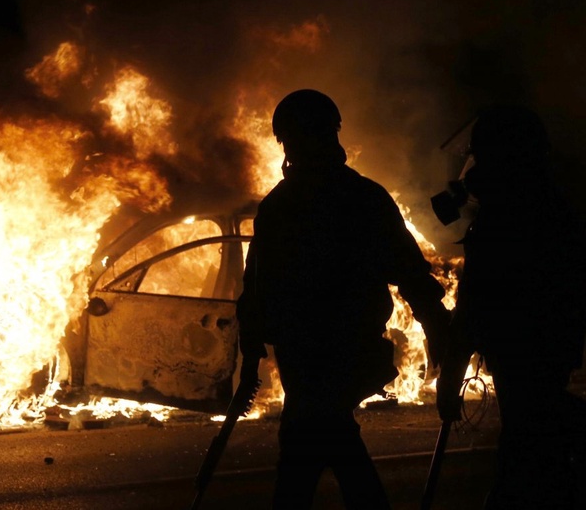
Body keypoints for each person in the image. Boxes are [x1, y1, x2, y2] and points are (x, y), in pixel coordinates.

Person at [236, 89, 452, 509]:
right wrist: (437, 324)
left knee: (305, 447)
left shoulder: (297, 204)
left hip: (333, 351)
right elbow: (259, 288)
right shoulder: (354, 198)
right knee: (325, 441)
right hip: (323, 351)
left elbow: (406, 271)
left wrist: (438, 326)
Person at [436, 104, 586, 509]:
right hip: (545, 347)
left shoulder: (509, 217)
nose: (472, 168)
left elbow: (475, 302)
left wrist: (450, 375)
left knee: (526, 447)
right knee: (539, 445)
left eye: (481, 156)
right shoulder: (550, 206)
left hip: (522, 348)